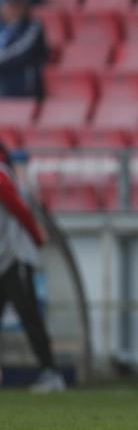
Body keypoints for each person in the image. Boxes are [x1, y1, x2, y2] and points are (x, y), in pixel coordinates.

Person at [0, 143, 64, 391]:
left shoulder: (2, 176)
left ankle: (50, 373)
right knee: (29, 316)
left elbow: (20, 210)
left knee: (30, 316)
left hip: (14, 258)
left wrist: (36, 237)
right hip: (4, 260)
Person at [0, 0, 47, 98]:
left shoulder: (33, 26)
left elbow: (22, 51)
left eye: (17, 4)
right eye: (10, 5)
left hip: (21, 83)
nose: (14, 9)